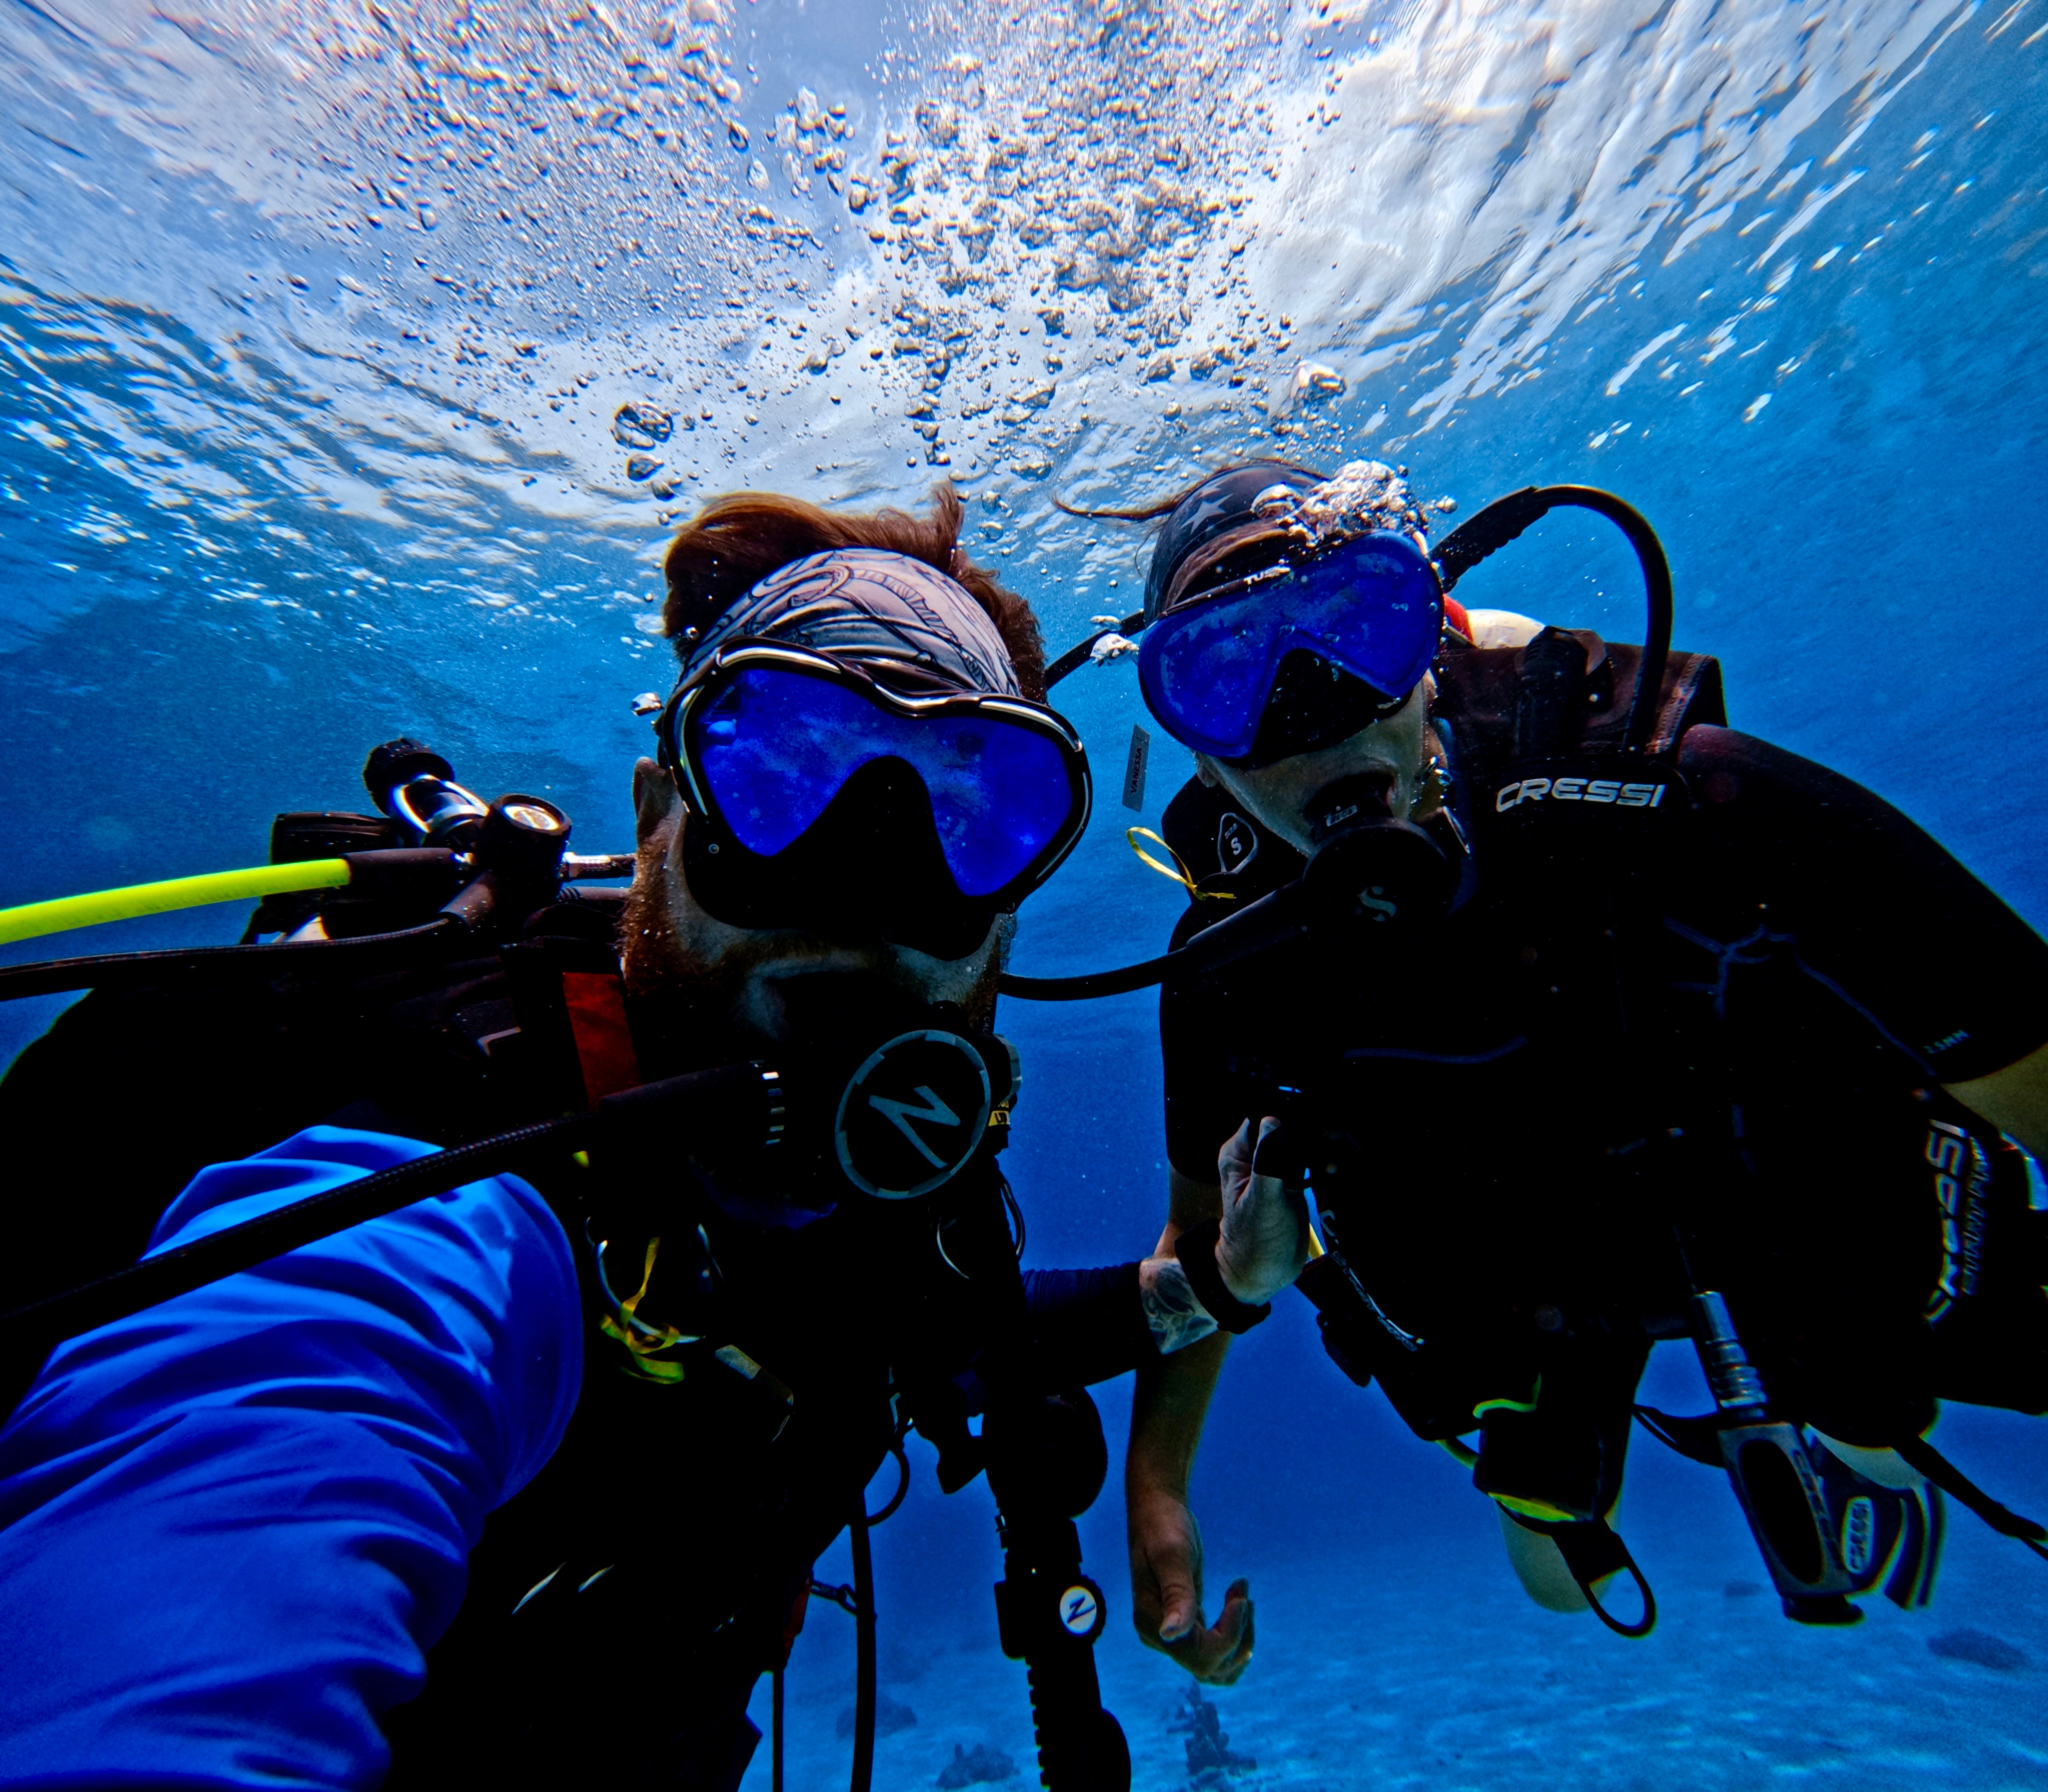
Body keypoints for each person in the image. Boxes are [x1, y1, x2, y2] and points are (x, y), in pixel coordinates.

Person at [0, 484, 1298, 1788]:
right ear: (653, 818)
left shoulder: (888, 1188)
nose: (862, 891)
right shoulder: (445, 1162)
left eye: (973, 808)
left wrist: (1208, 1290)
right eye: (781, 770)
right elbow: (285, 1408)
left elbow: (942, 1340)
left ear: (1011, 912)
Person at [1105, 457, 2048, 1640]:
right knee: (1546, 1540)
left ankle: (1853, 1423)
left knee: (1876, 1369)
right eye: (1224, 675)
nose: (1311, 711)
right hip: (1533, 1295)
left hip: (1759, 1208)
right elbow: (1201, 1236)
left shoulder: (1700, 808)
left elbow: (2029, 1045)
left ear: (1433, 645)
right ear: (1192, 751)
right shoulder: (1229, 971)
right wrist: (1156, 1495)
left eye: (1359, 627)